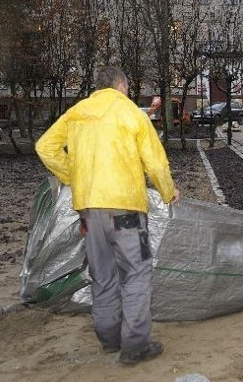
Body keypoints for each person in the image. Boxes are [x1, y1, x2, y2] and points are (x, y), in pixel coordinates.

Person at [35, 66, 180, 365]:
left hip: (89, 209)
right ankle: (136, 344)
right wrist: (168, 192)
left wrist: (73, 176)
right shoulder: (131, 113)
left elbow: (44, 146)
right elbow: (155, 162)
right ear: (122, 86)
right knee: (137, 272)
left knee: (102, 274)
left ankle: (109, 339)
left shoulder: (77, 113)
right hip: (125, 208)